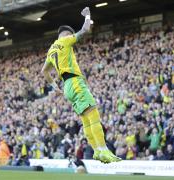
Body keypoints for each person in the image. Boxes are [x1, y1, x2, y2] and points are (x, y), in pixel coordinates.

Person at [41, 7, 121, 163]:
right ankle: (103, 150)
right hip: (75, 82)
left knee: (85, 119)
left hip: (66, 87)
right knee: (93, 115)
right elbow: (85, 30)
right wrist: (87, 15)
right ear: (67, 34)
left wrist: (54, 86)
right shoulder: (65, 40)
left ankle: (97, 151)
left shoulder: (51, 50)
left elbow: (44, 71)